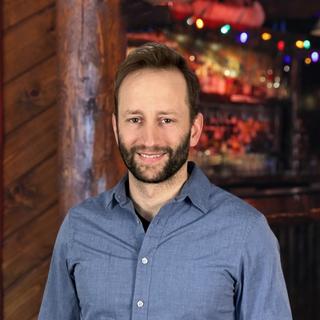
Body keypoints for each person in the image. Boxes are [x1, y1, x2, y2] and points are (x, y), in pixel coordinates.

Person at [39, 42, 292, 319]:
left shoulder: (247, 233)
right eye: (135, 119)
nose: (149, 139)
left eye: (167, 120)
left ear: (194, 130)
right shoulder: (79, 228)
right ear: (115, 128)